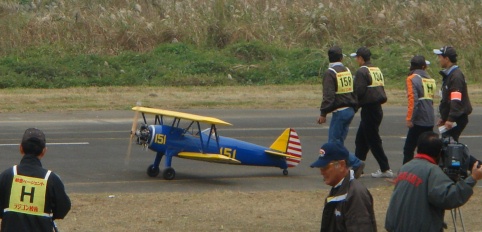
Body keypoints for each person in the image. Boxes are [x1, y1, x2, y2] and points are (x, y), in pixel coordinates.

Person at [385, 131, 482, 232]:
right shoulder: (432, 171)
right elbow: (449, 198)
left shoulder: (405, 167)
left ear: (418, 148)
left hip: (396, 227)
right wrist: (473, 178)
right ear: (440, 153)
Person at [0, 128, 71, 231]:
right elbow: (63, 209)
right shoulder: (51, 179)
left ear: (21, 148)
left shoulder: (7, 175)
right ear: (44, 151)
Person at [317, 45, 365, 178]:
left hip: (340, 111)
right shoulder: (347, 70)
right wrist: (354, 107)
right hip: (350, 110)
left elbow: (328, 96)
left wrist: (323, 113)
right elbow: (354, 90)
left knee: (333, 144)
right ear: (342, 58)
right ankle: (345, 168)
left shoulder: (330, 73)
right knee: (339, 142)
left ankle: (356, 163)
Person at [311, 142, 377, 232]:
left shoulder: (355, 195)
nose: (322, 172)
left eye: (325, 167)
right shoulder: (339, 190)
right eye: (320, 168)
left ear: (341, 165)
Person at [350, 47, 393, 178]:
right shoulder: (376, 69)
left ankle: (385, 168)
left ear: (361, 58)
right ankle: (358, 168)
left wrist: (353, 107)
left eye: (357, 57)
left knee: (373, 140)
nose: (356, 60)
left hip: (369, 109)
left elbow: (359, 91)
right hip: (376, 108)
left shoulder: (362, 71)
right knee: (361, 139)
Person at [402, 55, 436, 164]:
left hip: (419, 119)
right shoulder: (430, 79)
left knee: (408, 149)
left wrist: (409, 118)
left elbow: (413, 100)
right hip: (430, 117)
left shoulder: (411, 79)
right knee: (427, 149)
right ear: (424, 67)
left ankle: (406, 172)